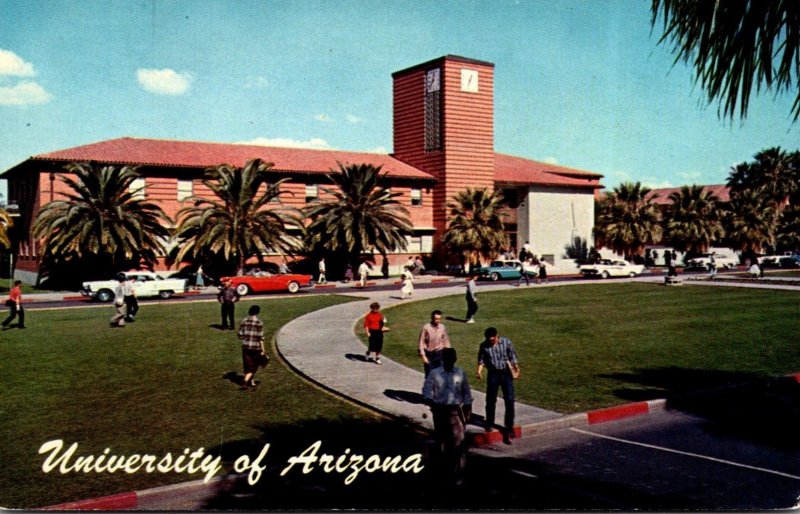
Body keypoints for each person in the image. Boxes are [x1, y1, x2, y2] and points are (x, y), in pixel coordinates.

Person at [422, 347, 473, 486]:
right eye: (447, 358)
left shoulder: (460, 373)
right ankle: (440, 472)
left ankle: (458, 474)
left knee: (459, 443)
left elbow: (467, 393)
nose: (450, 360)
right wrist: (430, 401)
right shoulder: (434, 374)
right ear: (443, 359)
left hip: (455, 412)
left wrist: (468, 409)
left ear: (455, 359)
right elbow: (426, 391)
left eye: (452, 358)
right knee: (441, 442)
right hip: (439, 412)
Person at [477, 327, 520, 445]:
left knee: (510, 400)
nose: (491, 342)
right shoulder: (484, 346)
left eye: (493, 340)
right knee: (490, 400)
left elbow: (512, 357)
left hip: (506, 374)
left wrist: (516, 369)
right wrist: (479, 371)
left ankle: (509, 426)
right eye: (489, 340)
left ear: (497, 336)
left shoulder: (506, 342)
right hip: (493, 374)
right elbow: (481, 361)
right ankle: (489, 423)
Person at [238, 304, 267, 390]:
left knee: (247, 365)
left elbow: (240, 334)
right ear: (258, 312)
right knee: (254, 366)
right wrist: (263, 349)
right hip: (255, 348)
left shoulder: (244, 321)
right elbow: (260, 338)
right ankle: (245, 381)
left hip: (245, 346)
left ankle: (252, 382)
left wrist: (245, 338)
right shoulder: (259, 323)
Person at [418, 310, 451, 376]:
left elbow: (446, 341)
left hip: (439, 353)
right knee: (430, 376)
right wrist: (424, 357)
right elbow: (421, 343)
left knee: (441, 375)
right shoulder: (426, 328)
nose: (438, 320)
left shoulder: (442, 327)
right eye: (436, 319)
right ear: (432, 318)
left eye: (439, 319)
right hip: (429, 355)